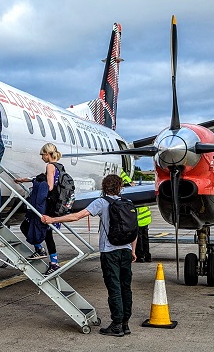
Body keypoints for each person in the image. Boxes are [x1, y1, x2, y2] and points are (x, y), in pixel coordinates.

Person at [42, 173, 136, 337]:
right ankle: (125, 324)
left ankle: (116, 325)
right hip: (126, 250)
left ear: (105, 187)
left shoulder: (101, 202)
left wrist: (52, 220)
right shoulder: (128, 203)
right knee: (125, 287)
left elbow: (77, 216)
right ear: (120, 187)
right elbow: (134, 231)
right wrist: (133, 250)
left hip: (110, 252)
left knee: (114, 288)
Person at [15, 143, 62, 273]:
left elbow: (50, 186)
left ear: (48, 154)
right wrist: (24, 180)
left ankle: (40, 251)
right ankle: (53, 262)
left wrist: (38, 182)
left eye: (42, 155)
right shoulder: (60, 166)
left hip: (46, 206)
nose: (42, 157)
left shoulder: (50, 166)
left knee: (26, 226)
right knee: (47, 234)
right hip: (54, 206)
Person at [121, 172, 152, 262]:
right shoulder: (140, 194)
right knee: (145, 239)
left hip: (138, 221)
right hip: (146, 220)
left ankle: (140, 257)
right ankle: (147, 256)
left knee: (138, 240)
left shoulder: (131, 197)